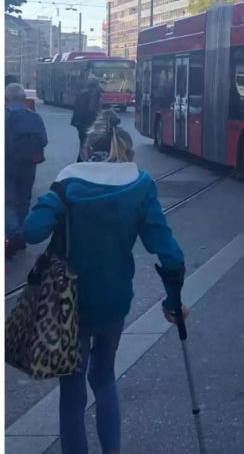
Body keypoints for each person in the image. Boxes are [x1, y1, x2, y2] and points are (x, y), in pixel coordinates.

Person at [23, 112, 186, 454]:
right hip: (114, 301)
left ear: (87, 149)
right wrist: (173, 301)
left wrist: (52, 200)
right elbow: (169, 252)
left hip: (71, 306)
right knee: (104, 377)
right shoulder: (141, 186)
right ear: (125, 151)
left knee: (72, 391)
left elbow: (32, 231)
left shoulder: (67, 185)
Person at [5, 83, 47, 258]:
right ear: (23, 98)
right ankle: (20, 234)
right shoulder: (34, 117)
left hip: (7, 164)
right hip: (29, 165)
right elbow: (43, 140)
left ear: (7, 98)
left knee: (6, 201)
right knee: (24, 199)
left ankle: (14, 233)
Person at [70, 76, 102, 161]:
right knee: (89, 144)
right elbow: (92, 108)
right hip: (89, 123)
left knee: (83, 142)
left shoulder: (81, 93)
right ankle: (84, 161)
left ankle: (80, 160)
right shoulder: (95, 92)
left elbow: (75, 106)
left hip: (79, 122)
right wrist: (98, 118)